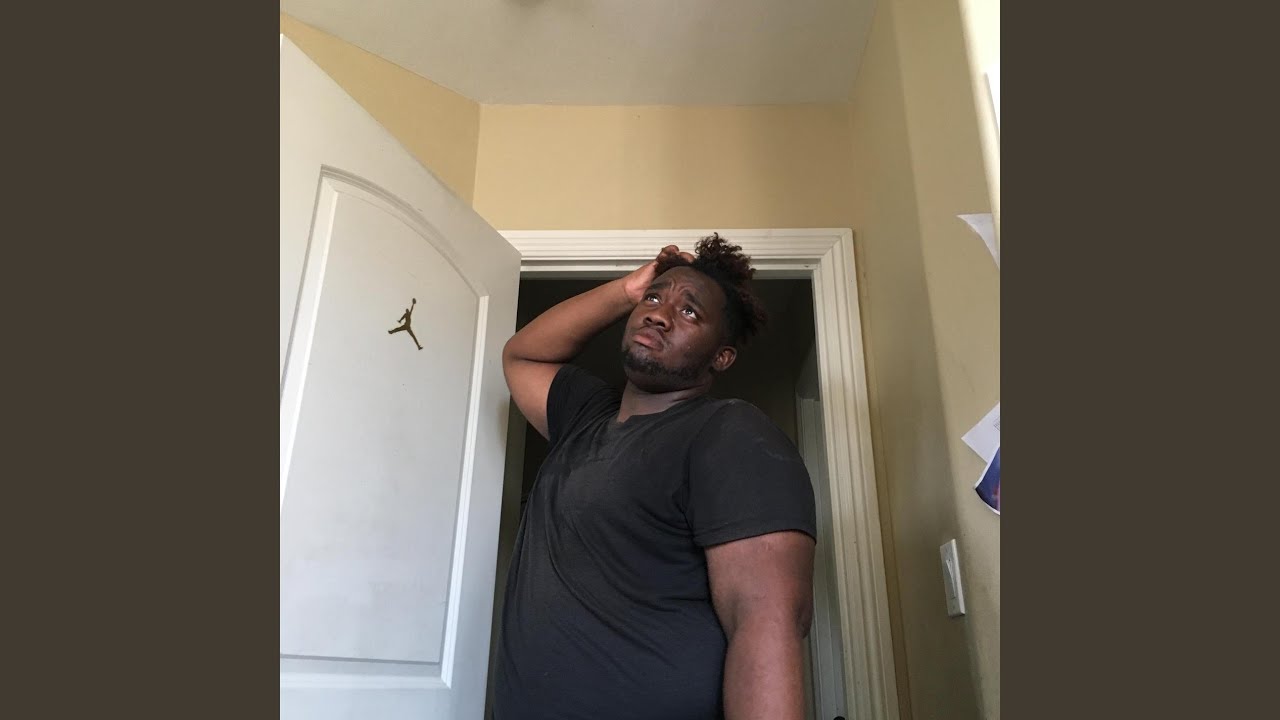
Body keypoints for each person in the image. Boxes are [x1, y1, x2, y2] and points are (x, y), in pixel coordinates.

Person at [494, 234, 817, 720]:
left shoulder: (730, 434)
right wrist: (627, 289)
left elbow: (766, 624)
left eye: (689, 312)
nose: (659, 315)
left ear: (721, 357)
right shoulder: (583, 416)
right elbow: (522, 355)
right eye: (653, 299)